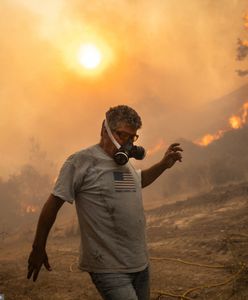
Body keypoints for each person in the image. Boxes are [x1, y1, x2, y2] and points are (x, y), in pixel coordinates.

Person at [27, 105, 183, 300]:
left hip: (139, 263)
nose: (126, 143)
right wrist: (38, 247)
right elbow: (53, 203)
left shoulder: (123, 162)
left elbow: (137, 182)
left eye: (131, 138)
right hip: (108, 267)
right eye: (121, 135)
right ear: (104, 129)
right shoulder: (81, 161)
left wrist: (162, 165)